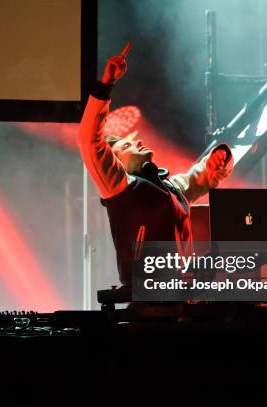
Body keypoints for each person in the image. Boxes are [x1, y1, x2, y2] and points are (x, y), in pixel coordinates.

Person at [78, 43, 233, 286]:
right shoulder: (120, 188)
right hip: (149, 300)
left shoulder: (170, 187)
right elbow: (89, 141)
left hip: (181, 293)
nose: (137, 141)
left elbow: (203, 176)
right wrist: (106, 84)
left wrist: (220, 157)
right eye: (127, 146)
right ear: (116, 163)